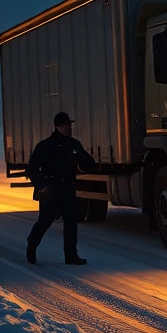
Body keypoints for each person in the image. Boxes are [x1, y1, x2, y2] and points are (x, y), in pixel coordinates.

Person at [25, 112, 98, 265]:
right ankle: (32, 244)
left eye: (69, 125)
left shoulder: (74, 145)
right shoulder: (45, 146)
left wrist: (90, 165)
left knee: (71, 222)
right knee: (45, 221)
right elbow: (32, 169)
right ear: (57, 127)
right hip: (50, 190)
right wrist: (41, 186)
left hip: (67, 188)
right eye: (65, 126)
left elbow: (86, 162)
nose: (68, 128)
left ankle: (71, 255)